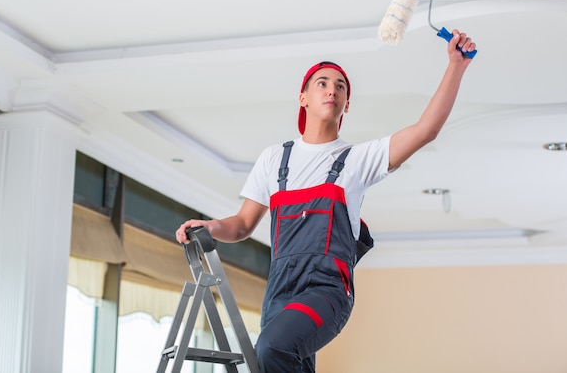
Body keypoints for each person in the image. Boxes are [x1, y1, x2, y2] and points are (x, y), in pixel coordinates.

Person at [176, 30, 477, 372]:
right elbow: (242, 225)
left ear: (346, 104)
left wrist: (456, 66)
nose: (332, 89)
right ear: (302, 97)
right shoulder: (275, 159)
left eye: (340, 86)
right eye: (321, 83)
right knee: (276, 357)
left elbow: (426, 130)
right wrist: (210, 226)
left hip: (326, 291)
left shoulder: (357, 160)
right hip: (280, 292)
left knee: (272, 348)